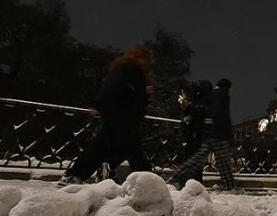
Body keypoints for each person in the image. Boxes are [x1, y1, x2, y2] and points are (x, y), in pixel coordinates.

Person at [58, 46, 154, 186]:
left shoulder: (130, 71)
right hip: (122, 118)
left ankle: (86, 172)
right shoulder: (129, 70)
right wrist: (97, 104)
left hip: (121, 117)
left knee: (107, 147)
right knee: (132, 151)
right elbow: (112, 88)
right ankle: (147, 183)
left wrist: (145, 96)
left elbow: (128, 94)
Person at [166, 78, 236, 191]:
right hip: (218, 134)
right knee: (221, 163)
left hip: (211, 134)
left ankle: (178, 178)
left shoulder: (214, 95)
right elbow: (221, 117)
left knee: (198, 159)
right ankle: (229, 185)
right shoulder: (220, 96)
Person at [180, 79, 214, 161]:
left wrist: (188, 106)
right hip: (193, 134)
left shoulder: (207, 100)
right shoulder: (199, 100)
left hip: (198, 135)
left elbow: (201, 112)